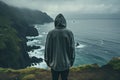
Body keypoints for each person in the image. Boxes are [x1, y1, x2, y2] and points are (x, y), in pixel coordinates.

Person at [44, 13, 75, 80]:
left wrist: (47, 60)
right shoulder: (69, 33)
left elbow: (47, 48)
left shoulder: (50, 33)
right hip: (66, 64)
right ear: (64, 22)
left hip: (54, 64)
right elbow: (72, 48)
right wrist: (72, 61)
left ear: (55, 22)